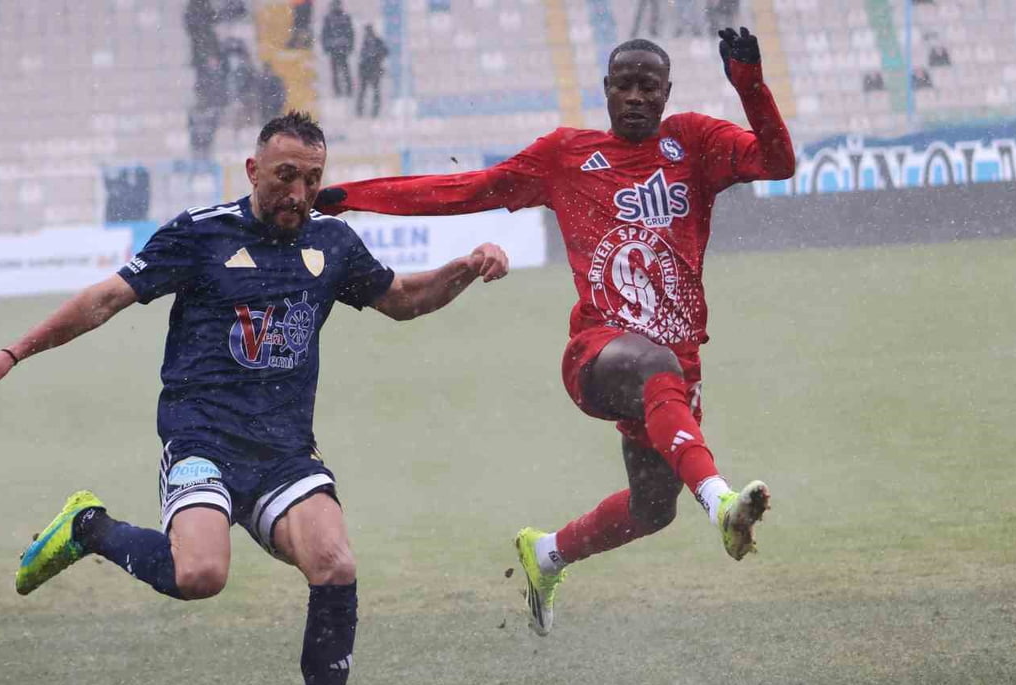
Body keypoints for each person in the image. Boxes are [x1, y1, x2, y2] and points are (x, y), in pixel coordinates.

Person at [0, 113, 509, 685]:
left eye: (312, 179)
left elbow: (406, 300)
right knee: (200, 576)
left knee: (335, 562)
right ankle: (89, 527)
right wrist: (14, 351)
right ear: (253, 171)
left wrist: (467, 267)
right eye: (285, 176)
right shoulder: (202, 233)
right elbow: (104, 301)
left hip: (284, 450)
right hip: (201, 434)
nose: (299, 192)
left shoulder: (332, 243)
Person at [314, 30, 795, 636]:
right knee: (653, 367)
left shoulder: (694, 142)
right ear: (606, 91)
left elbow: (778, 162)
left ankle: (547, 556)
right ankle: (721, 500)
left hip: (674, 365)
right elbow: (467, 190)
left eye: (650, 86)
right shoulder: (566, 155)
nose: (637, 97)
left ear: (667, 92)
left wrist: (749, 83)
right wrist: (355, 197)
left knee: (651, 511)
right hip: (598, 355)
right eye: (625, 85)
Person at [320, 0, 355, 97]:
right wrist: (326, 46)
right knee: (337, 71)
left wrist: (350, 46)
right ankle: (339, 91)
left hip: (340, 48)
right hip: (335, 48)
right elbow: (324, 34)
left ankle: (346, 90)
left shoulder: (344, 17)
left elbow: (350, 33)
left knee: (343, 70)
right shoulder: (329, 18)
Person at [355, 25, 388, 118]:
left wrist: (377, 56)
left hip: (372, 70)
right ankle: (363, 111)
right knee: (369, 92)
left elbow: (385, 51)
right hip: (369, 70)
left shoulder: (374, 42)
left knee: (371, 92)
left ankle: (371, 111)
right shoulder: (366, 43)